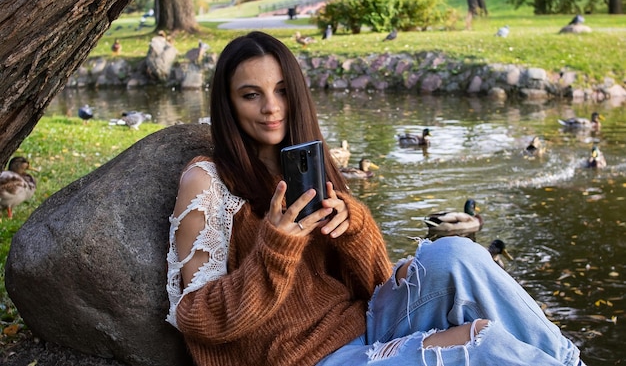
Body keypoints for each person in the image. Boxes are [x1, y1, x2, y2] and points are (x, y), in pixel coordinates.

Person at [166, 31, 585, 366]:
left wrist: (355, 226)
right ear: (229, 103)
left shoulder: (308, 163)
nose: (272, 108)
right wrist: (274, 248)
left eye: (281, 90)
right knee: (477, 345)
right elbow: (197, 319)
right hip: (305, 359)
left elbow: (374, 284)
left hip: (365, 324)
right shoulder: (208, 183)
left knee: (456, 254)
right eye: (251, 94)